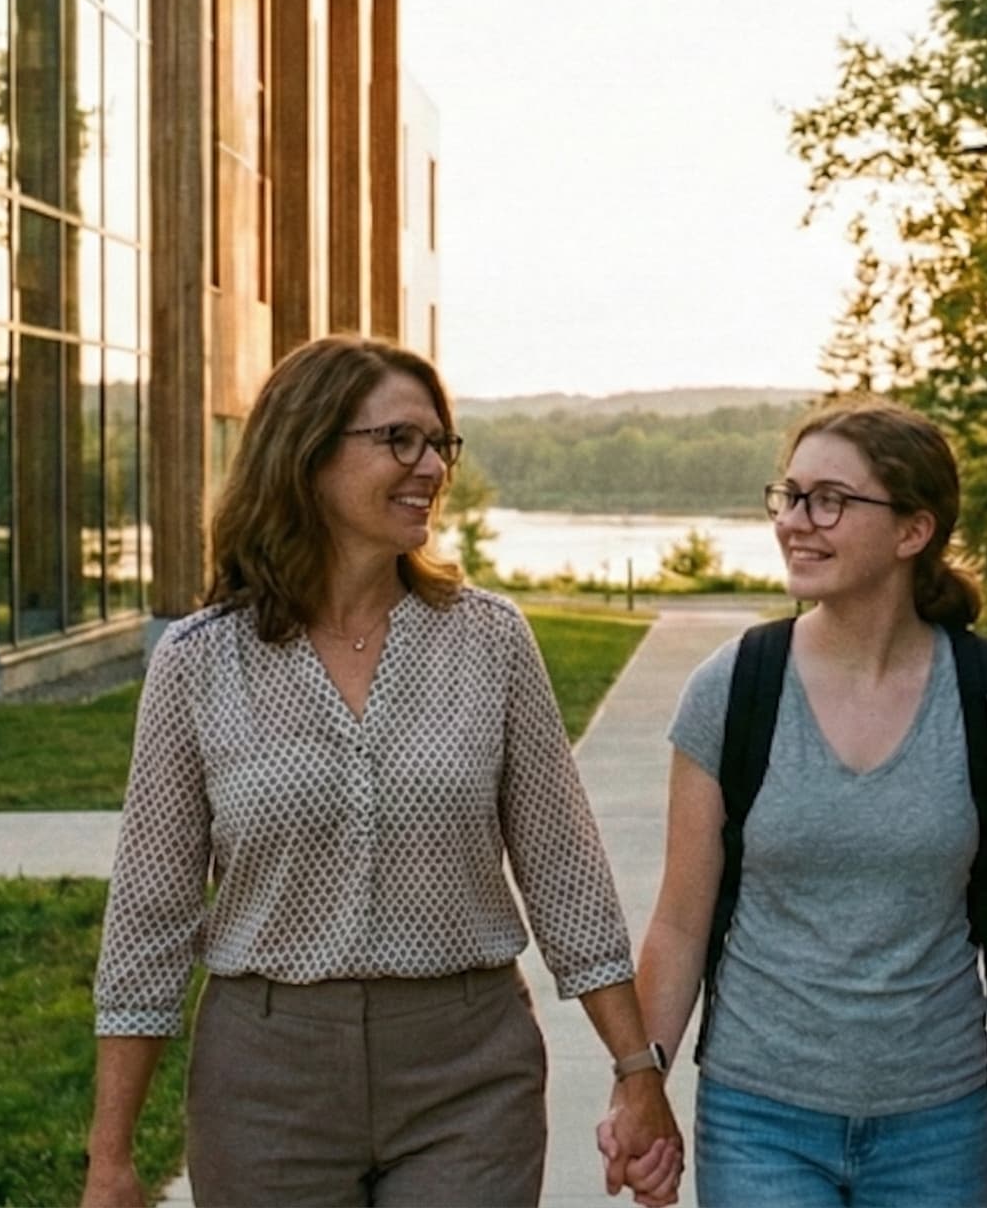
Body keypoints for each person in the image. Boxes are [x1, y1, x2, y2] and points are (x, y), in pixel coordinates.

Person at [81, 335, 681, 1208]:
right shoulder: (200, 661)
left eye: (439, 443)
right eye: (399, 440)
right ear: (307, 453)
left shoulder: (490, 640)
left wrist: (636, 1072)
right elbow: (150, 916)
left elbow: (568, 878)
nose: (431, 467)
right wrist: (110, 1157)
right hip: (266, 1081)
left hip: (468, 1074)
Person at [609, 397, 987, 1208]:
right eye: (790, 496)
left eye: (829, 501)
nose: (794, 522)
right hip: (758, 1118)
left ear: (913, 531)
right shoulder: (733, 689)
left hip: (938, 1122)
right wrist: (639, 1086)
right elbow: (679, 921)